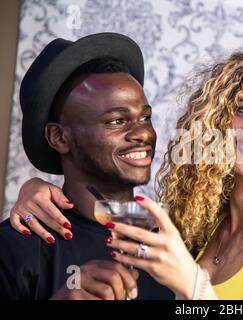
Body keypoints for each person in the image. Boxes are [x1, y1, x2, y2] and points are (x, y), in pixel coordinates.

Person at [9, 50, 243, 299]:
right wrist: (38, 190)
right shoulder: (205, 225)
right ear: (220, 123)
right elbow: (98, 207)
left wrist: (192, 284)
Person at [0, 33, 173, 300]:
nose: (143, 134)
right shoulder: (15, 246)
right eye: (116, 121)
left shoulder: (174, 240)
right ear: (59, 137)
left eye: (145, 117)